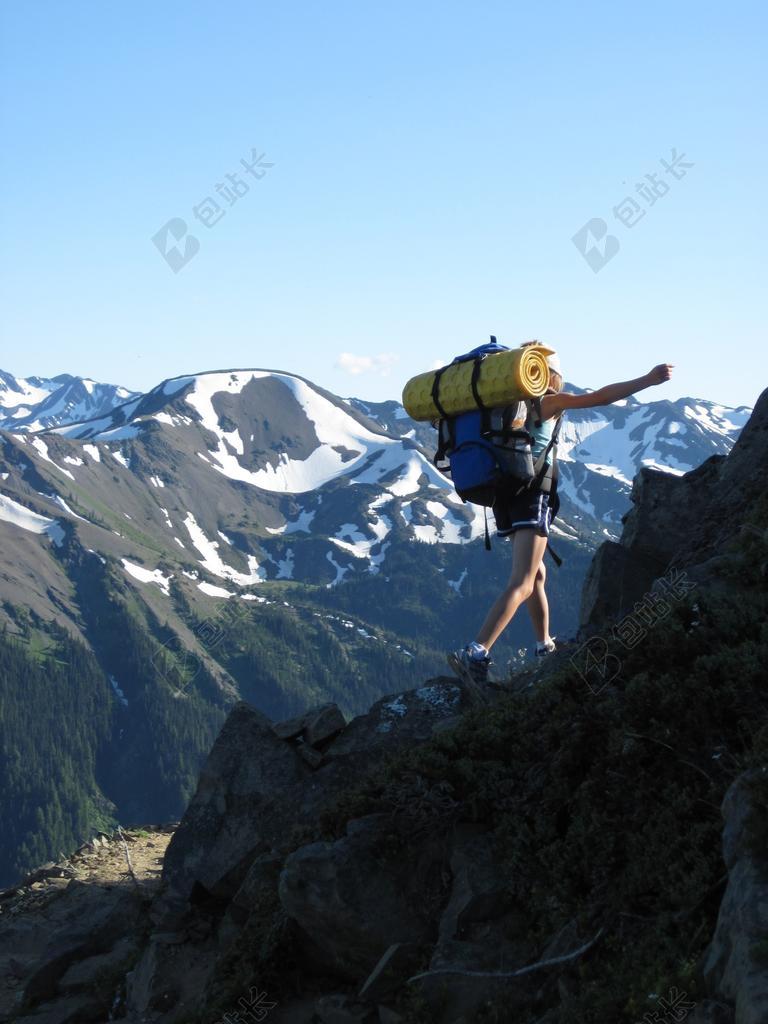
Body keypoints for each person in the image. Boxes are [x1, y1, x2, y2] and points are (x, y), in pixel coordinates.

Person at [448, 351, 674, 686]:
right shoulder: (547, 403)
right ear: (544, 375)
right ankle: (477, 650)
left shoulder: (504, 405)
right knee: (523, 581)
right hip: (531, 494)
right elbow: (601, 397)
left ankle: (544, 645)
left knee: (536, 575)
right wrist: (647, 379)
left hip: (505, 495)